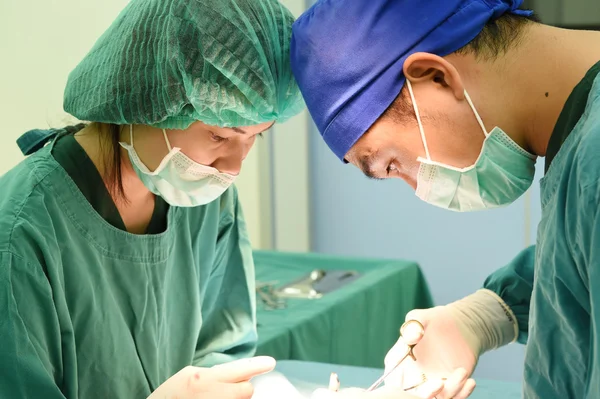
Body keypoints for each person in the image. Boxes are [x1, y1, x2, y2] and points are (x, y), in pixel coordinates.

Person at [290, 0, 600, 398]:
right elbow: (576, 256)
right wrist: (486, 313)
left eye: (390, 165)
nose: (417, 189)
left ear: (435, 76)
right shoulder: (579, 143)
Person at [0, 0, 305, 397]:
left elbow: (222, 353)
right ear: (152, 99)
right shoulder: (20, 236)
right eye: (219, 136)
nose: (233, 167)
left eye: (255, 137)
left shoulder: (207, 200)